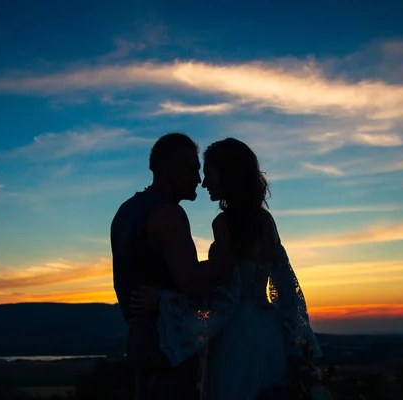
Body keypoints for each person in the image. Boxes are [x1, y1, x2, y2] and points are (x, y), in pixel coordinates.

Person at [131, 138, 325, 399]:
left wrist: (165, 301)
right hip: (269, 330)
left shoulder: (223, 224)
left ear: (227, 175)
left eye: (209, 173)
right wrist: (293, 340)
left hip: (236, 334)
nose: (204, 182)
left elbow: (224, 296)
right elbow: (286, 286)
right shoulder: (266, 221)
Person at [110, 133, 236, 400]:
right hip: (167, 344)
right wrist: (228, 259)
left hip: (139, 340)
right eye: (192, 169)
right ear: (169, 170)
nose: (198, 180)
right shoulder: (169, 214)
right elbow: (191, 281)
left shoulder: (125, 211)